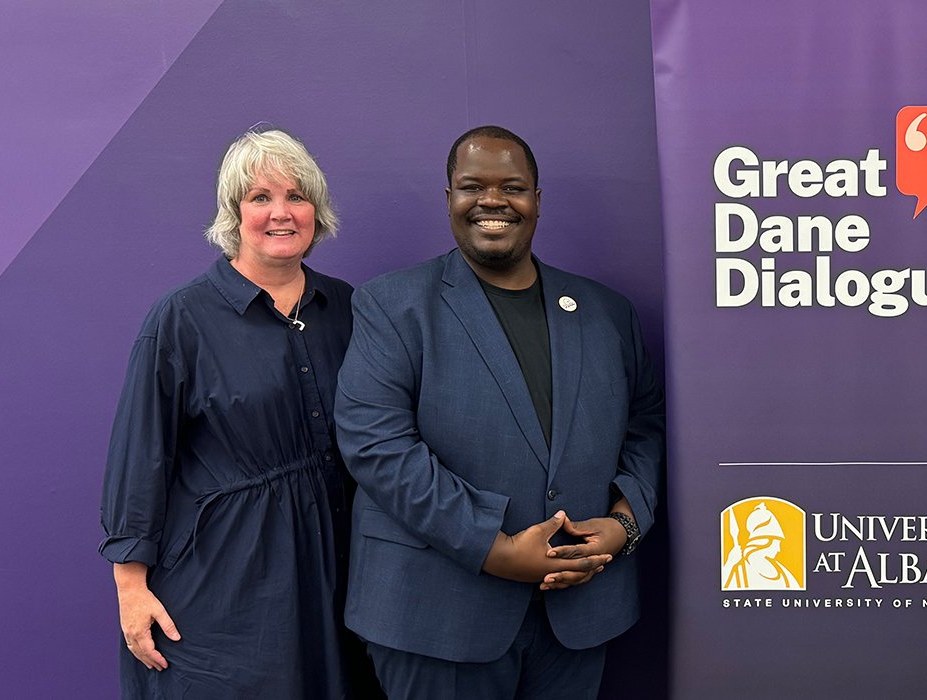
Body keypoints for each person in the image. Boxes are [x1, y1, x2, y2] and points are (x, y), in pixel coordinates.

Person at [335, 125, 663, 699]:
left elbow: (647, 426)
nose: (492, 201)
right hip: (436, 618)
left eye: (512, 186)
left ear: (537, 200)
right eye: (472, 186)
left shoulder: (607, 313)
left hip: (579, 616)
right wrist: (498, 550)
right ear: (449, 199)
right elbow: (377, 447)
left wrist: (625, 524)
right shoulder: (391, 305)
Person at [100, 127, 377, 697]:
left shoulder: (348, 308)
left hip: (340, 567)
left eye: (297, 197)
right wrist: (130, 589)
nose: (281, 213)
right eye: (260, 198)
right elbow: (139, 459)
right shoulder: (181, 319)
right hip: (227, 576)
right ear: (234, 213)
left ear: (317, 211)